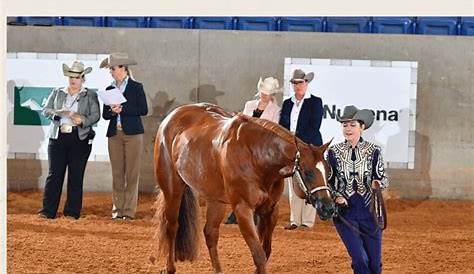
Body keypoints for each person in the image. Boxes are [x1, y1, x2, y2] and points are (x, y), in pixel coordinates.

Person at [327, 105, 389, 274]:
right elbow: (329, 182)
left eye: (352, 125)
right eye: (345, 125)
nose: (348, 128)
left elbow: (383, 178)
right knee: (360, 260)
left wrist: (377, 183)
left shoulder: (374, 151)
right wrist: (336, 196)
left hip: (371, 213)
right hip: (345, 213)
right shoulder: (333, 152)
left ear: (362, 127)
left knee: (375, 266)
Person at [38, 61, 100, 220]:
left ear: (83, 78)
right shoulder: (58, 92)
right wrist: (58, 114)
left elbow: (95, 116)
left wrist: (83, 120)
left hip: (79, 138)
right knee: (54, 175)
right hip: (58, 137)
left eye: (77, 77)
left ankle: (72, 212)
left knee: (76, 176)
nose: (73, 80)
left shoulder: (90, 95)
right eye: (71, 76)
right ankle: (47, 211)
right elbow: (46, 110)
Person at [225, 76, 282, 224]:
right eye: (263, 91)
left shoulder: (276, 110)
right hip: (246, 148)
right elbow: (242, 124)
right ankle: (237, 211)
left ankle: (256, 211)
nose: (264, 94)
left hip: (262, 151)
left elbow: (272, 129)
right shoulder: (250, 104)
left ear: (272, 94)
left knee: (259, 181)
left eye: (267, 92)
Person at [100, 52, 148, 220]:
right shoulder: (109, 89)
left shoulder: (136, 87)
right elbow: (105, 115)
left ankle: (128, 211)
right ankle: (117, 210)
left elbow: (143, 110)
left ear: (123, 69)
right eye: (111, 69)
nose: (112, 72)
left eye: (113, 68)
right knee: (117, 174)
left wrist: (123, 109)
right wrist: (112, 111)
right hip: (115, 134)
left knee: (132, 174)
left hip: (133, 134)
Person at [279, 69, 323, 230]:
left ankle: (307, 221)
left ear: (306, 83)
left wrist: (296, 139)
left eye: (300, 82)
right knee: (294, 184)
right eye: (295, 83)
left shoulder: (315, 102)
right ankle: (295, 220)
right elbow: (282, 126)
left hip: (310, 147)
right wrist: (289, 140)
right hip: (292, 148)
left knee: (310, 181)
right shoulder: (287, 103)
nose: (297, 86)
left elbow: (314, 126)